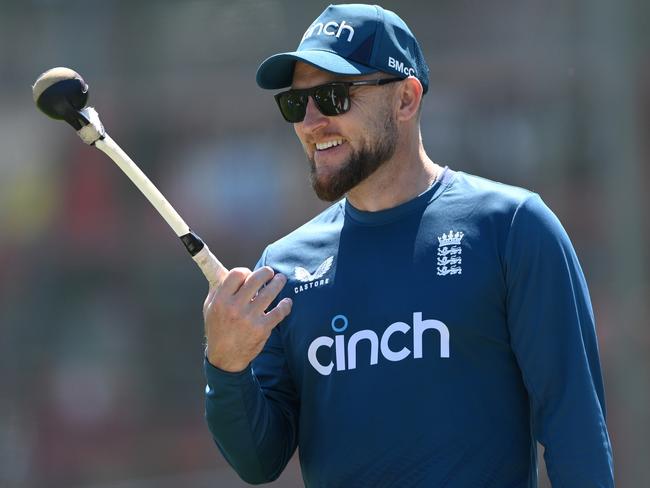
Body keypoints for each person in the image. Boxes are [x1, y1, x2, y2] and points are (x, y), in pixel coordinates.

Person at [202, 4, 614, 487]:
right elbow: (258, 460)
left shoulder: (513, 228)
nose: (311, 122)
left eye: (334, 97)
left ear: (406, 98)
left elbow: (576, 434)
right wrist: (226, 365)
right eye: (296, 103)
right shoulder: (282, 268)